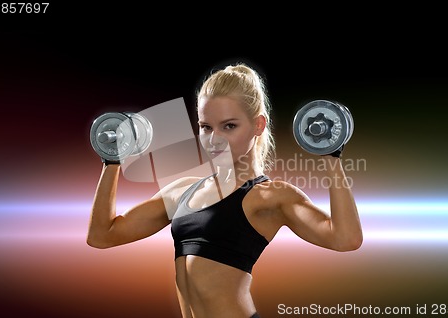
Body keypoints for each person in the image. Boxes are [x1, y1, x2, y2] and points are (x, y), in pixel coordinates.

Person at [87, 63, 363, 318]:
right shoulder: (182, 191)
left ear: (258, 124)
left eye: (229, 126)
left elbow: (345, 239)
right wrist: (113, 159)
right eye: (206, 127)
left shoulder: (270, 196)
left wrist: (330, 157)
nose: (214, 139)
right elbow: (103, 235)